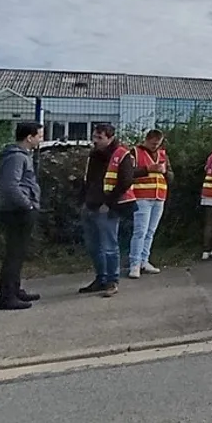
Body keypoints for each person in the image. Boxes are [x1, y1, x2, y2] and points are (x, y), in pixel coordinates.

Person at [80, 123, 136, 297]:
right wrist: (84, 200)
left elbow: (125, 181)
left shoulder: (121, 154)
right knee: (93, 246)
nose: (95, 141)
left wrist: (108, 203)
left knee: (109, 246)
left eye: (99, 137)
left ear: (110, 138)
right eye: (94, 136)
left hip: (108, 208)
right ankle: (101, 279)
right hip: (90, 205)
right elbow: (89, 179)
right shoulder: (94, 154)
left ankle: (112, 281)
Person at [0, 122, 43, 310]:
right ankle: (7, 296)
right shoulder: (16, 158)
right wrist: (28, 204)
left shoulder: (22, 156)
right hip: (16, 211)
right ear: (29, 138)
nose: (41, 139)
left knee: (18, 253)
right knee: (13, 254)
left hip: (18, 210)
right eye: (39, 135)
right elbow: (10, 186)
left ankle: (14, 289)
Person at [128, 129, 172, 278]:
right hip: (142, 196)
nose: (155, 147)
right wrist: (148, 169)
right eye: (153, 144)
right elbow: (128, 173)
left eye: (158, 144)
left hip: (159, 197)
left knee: (150, 231)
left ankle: (144, 261)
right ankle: (134, 264)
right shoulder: (135, 152)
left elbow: (171, 177)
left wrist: (165, 171)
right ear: (147, 139)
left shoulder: (163, 154)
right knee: (140, 231)